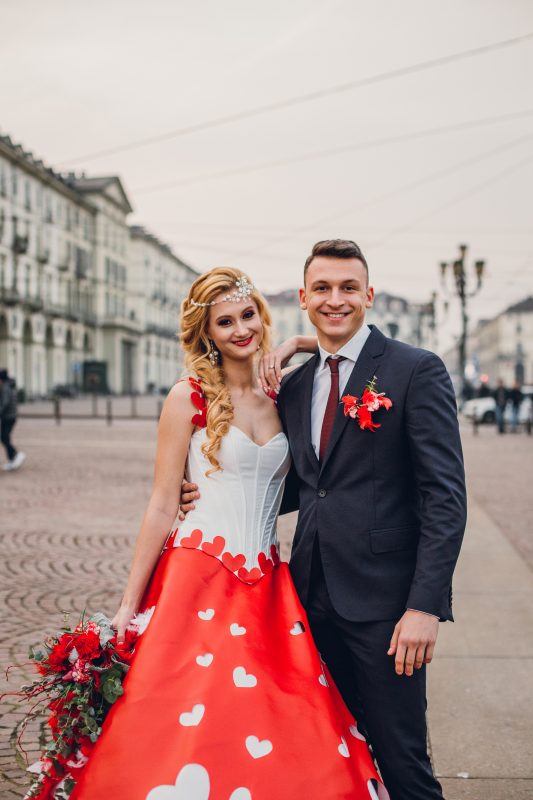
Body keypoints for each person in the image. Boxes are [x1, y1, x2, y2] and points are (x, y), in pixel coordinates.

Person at [66, 267, 389, 800]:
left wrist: (291, 342)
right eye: (225, 322)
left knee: (278, 709)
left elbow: (337, 349)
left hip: (268, 580)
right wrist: (128, 604)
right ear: (206, 334)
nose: (241, 330)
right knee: (195, 714)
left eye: (248, 316)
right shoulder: (187, 396)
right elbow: (163, 501)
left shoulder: (284, 393)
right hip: (199, 572)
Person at [182, 239, 467, 800]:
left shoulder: (416, 371)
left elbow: (445, 499)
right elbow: (307, 485)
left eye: (348, 288)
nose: (336, 299)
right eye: (322, 289)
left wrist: (424, 606)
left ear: (369, 294)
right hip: (307, 604)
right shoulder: (295, 384)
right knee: (329, 757)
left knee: (401, 759)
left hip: (387, 612)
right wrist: (212, 491)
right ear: (304, 297)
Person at [0, 368, 26, 471]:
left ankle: (16, 455)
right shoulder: (10, 386)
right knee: (4, 437)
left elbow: (4, 404)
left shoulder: (5, 388)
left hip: (8, 416)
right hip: (11, 416)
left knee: (4, 437)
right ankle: (12, 459)